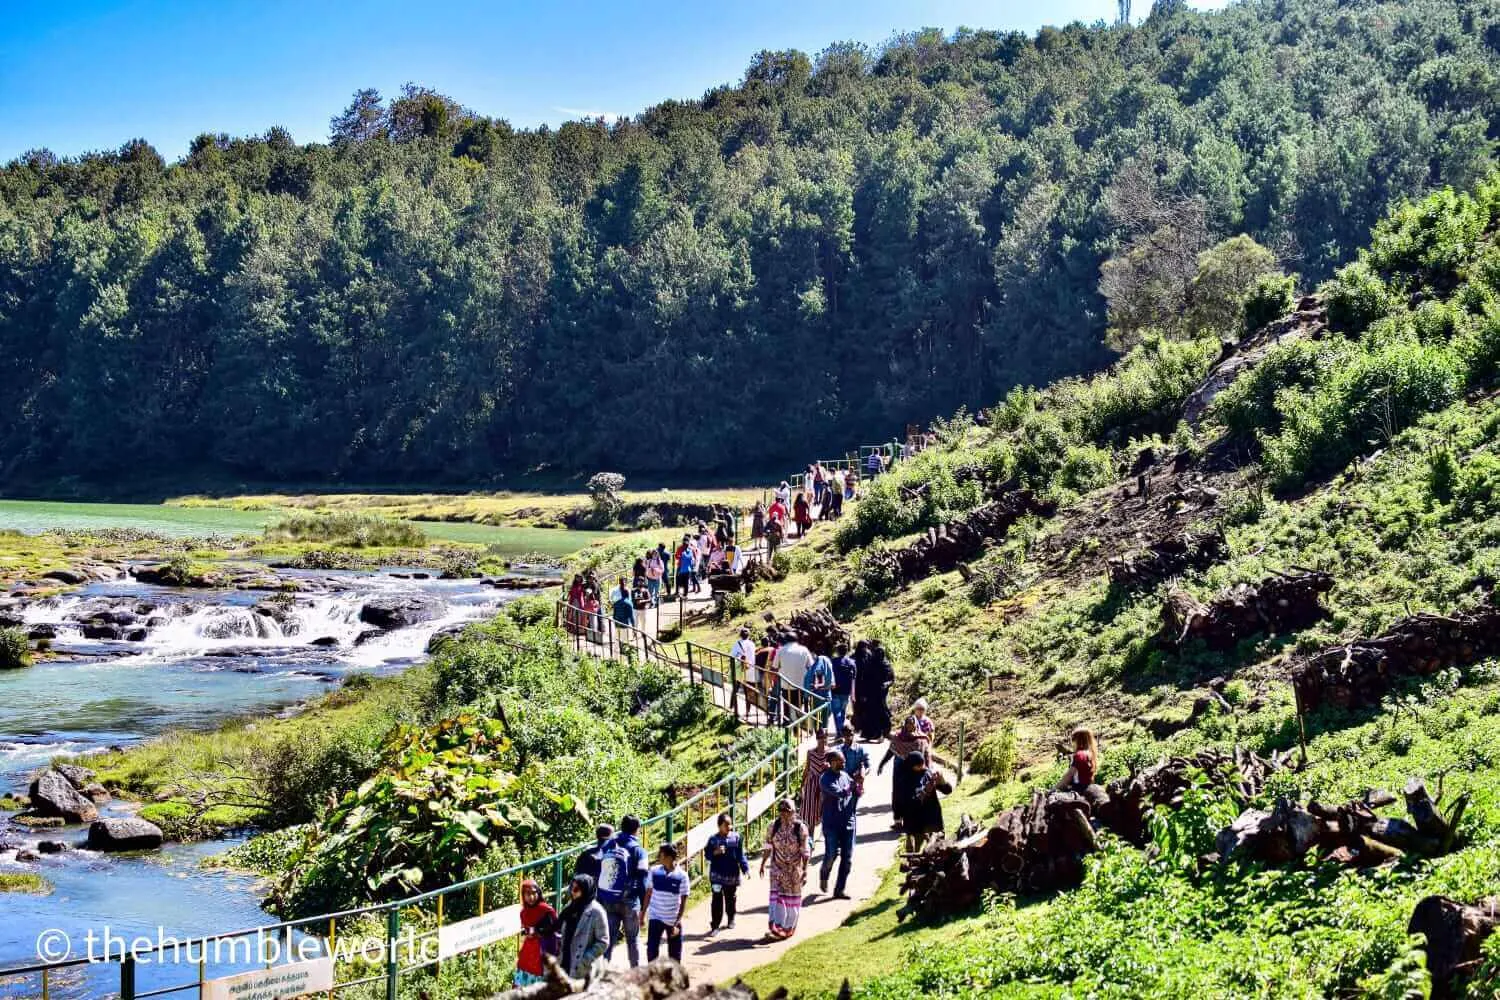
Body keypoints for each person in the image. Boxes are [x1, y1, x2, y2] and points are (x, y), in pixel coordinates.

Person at [598, 815, 649, 967]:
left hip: (609, 899)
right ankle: (635, 972)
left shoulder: (608, 845)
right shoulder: (639, 851)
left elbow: (600, 869)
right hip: (630, 901)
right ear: (637, 830)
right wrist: (643, 909)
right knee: (632, 939)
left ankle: (601, 972)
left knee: (608, 939)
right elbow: (643, 880)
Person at [760, 798, 810, 940]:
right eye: (781, 811)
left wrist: (805, 871)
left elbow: (805, 851)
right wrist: (763, 863)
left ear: (793, 811)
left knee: (792, 901)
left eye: (787, 812)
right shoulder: (773, 826)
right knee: (777, 899)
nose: (784, 815)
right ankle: (777, 927)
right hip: (777, 868)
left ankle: (788, 929)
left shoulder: (800, 828)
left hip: (794, 870)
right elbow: (768, 846)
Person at [877, 715, 932, 833]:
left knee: (913, 795)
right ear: (905, 725)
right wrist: (882, 764)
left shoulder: (922, 738)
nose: (910, 726)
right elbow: (891, 752)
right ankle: (898, 821)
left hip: (915, 772)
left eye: (912, 723)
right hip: (900, 771)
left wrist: (928, 769)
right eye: (908, 723)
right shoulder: (898, 738)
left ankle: (911, 821)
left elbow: (927, 755)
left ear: (916, 724)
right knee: (898, 795)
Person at [818, 749, 856, 898]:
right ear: (833, 762)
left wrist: (858, 786)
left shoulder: (845, 775)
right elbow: (840, 793)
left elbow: (854, 790)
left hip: (847, 822)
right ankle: (824, 873)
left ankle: (839, 889)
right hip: (831, 824)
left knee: (847, 858)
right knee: (831, 855)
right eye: (841, 760)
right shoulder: (825, 779)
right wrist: (851, 787)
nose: (844, 762)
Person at [643, 844, 690, 962]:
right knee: (652, 950)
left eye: (661, 854)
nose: (658, 856)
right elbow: (648, 893)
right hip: (655, 917)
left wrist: (677, 923)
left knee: (675, 954)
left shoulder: (682, 876)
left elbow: (683, 902)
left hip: (672, 919)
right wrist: (642, 913)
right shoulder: (654, 871)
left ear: (669, 857)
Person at [706, 812, 750, 933]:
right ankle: (715, 925)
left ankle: (731, 918)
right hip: (717, 876)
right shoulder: (713, 840)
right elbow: (708, 855)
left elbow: (741, 855)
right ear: (719, 826)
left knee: (730, 898)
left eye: (730, 824)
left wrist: (745, 868)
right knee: (716, 900)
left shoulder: (736, 838)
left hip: (731, 875)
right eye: (726, 825)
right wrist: (716, 852)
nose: (729, 827)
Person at [558, 874, 608, 978]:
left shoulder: (597, 912)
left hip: (584, 970)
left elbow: (603, 941)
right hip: (565, 963)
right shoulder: (569, 908)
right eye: (571, 888)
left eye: (576, 889)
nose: (572, 892)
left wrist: (585, 960)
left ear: (585, 890)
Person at [902, 751, 953, 852]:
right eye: (919, 765)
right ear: (912, 766)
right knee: (918, 853)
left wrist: (942, 781)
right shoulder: (905, 779)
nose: (923, 767)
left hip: (933, 819)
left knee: (938, 849)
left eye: (923, 764)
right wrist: (926, 789)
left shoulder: (928, 773)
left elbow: (947, 791)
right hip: (916, 823)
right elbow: (913, 800)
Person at [514, 878, 559, 988]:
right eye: (527, 894)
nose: (531, 897)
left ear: (539, 893)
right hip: (529, 951)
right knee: (523, 983)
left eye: (534, 893)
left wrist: (539, 933)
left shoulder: (546, 911)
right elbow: (526, 929)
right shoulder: (523, 913)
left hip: (545, 950)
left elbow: (556, 929)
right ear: (523, 896)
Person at [853, 640, 894, 742]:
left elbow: (891, 678)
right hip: (870, 693)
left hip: (880, 694)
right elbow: (865, 679)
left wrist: (886, 684)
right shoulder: (870, 664)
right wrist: (863, 693)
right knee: (869, 714)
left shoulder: (886, 665)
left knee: (881, 714)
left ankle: (882, 734)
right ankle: (869, 735)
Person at [774, 631, 814, 721]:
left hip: (785, 684)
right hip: (800, 685)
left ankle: (786, 724)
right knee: (798, 705)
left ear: (786, 640)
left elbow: (775, 666)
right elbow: (811, 666)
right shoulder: (804, 650)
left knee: (786, 706)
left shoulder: (781, 650)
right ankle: (797, 727)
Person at [798, 728, 831, 836]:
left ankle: (824, 834)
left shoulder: (830, 753)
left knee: (824, 811)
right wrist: (802, 785)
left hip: (824, 785)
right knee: (809, 814)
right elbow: (807, 769)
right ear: (817, 738)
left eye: (824, 737)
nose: (822, 740)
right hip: (811, 785)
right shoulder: (811, 753)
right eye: (820, 737)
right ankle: (809, 840)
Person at [829, 643, 856, 734]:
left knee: (836, 712)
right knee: (842, 711)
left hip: (835, 690)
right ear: (847, 651)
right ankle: (841, 730)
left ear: (837, 651)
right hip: (846, 691)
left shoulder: (833, 661)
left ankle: (840, 731)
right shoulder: (852, 663)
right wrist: (853, 694)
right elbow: (853, 679)